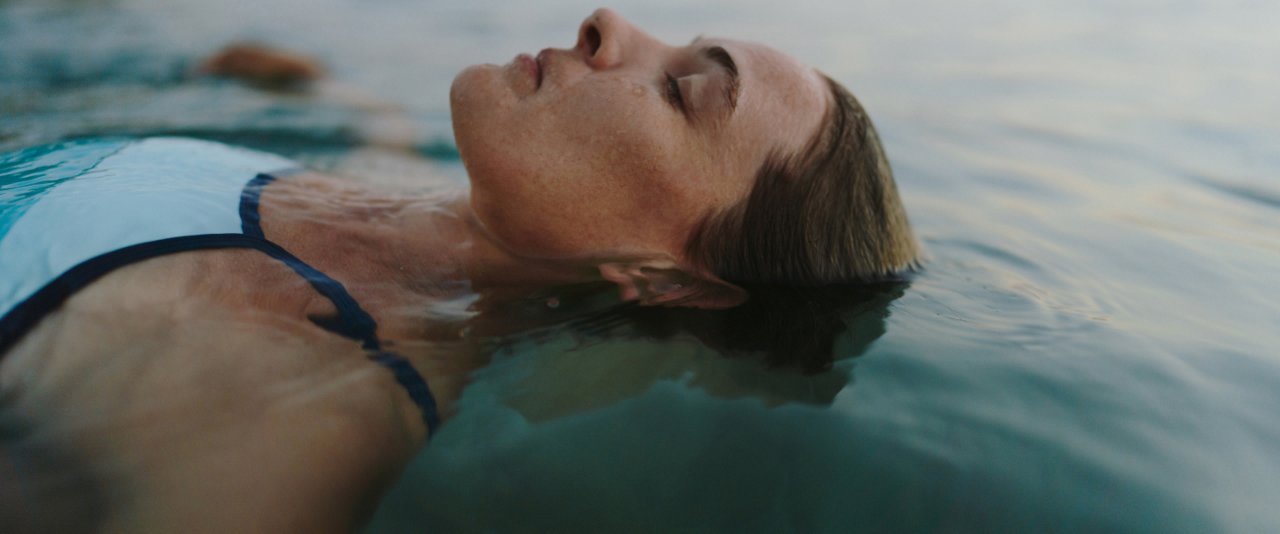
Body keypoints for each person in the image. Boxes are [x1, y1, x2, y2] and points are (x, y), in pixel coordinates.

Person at [0, 8, 918, 531]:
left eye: (682, 89)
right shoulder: (402, 193)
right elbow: (383, 143)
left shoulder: (298, 412)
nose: (607, 22)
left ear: (665, 278)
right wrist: (314, 87)